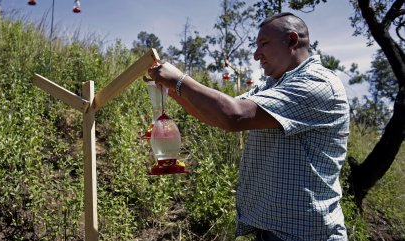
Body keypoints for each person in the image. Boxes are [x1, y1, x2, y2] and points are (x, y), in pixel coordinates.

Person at [146, 12, 349, 241]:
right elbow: (218, 115)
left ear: (292, 40)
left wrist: (179, 80)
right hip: (272, 232)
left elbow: (234, 116)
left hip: (308, 235)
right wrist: (170, 88)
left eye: (263, 44)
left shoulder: (317, 84)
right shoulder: (273, 86)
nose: (255, 55)